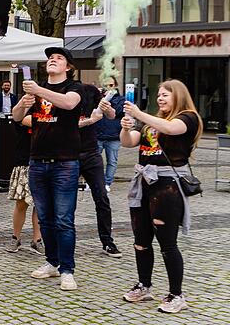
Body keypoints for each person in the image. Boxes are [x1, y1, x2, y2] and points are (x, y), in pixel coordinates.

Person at [120, 79, 202, 314]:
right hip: (144, 183)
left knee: (167, 243)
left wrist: (138, 113)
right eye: (159, 94)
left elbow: (170, 129)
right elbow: (129, 143)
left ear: (178, 96)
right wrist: (126, 126)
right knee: (141, 240)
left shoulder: (188, 117)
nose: (160, 98)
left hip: (167, 187)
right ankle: (144, 285)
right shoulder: (151, 122)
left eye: (166, 94)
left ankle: (177, 294)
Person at [12, 47, 82, 291]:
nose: (52, 60)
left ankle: (67, 270)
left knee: (64, 219)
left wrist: (39, 90)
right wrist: (23, 102)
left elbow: (69, 104)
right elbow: (17, 116)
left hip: (65, 163)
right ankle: (51, 262)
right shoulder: (37, 88)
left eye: (59, 58)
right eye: (50, 58)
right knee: (45, 218)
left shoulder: (74, 88)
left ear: (68, 67)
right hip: (38, 162)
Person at [77, 84, 121, 258]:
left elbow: (111, 115)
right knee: (66, 203)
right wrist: (90, 120)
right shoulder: (64, 93)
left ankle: (107, 241)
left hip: (91, 153)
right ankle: (62, 242)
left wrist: (107, 109)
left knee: (102, 197)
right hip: (68, 154)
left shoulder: (90, 91)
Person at [5, 115, 43, 255]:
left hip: (43, 159)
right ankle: (16, 237)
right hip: (24, 161)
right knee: (21, 203)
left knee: (40, 205)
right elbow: (21, 118)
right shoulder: (25, 106)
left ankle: (37, 240)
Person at [96, 77, 125, 191]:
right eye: (105, 85)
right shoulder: (97, 98)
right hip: (98, 134)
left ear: (115, 86)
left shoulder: (120, 99)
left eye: (111, 85)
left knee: (112, 161)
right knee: (95, 161)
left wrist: (109, 99)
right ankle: (95, 181)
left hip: (113, 136)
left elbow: (118, 111)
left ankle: (107, 183)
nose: (108, 88)